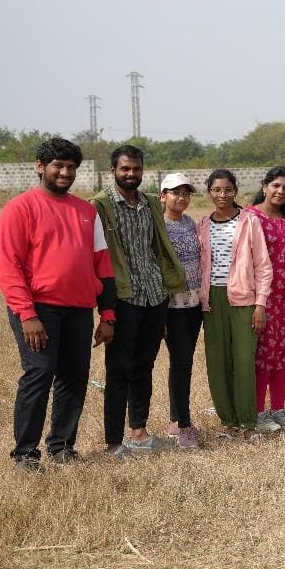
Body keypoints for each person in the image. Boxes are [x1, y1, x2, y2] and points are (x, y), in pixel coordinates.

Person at [0, 138, 115, 469]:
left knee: (75, 376)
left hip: (78, 308)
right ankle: (25, 453)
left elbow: (102, 265)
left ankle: (62, 446)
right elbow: (9, 267)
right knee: (40, 372)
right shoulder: (19, 208)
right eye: (57, 166)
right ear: (40, 167)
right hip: (38, 308)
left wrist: (107, 314)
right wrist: (27, 314)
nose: (65, 172)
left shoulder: (87, 211)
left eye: (71, 167)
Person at [91, 145, 186, 458]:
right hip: (124, 297)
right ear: (114, 171)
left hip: (155, 295)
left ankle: (139, 432)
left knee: (144, 367)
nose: (130, 174)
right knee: (118, 369)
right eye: (124, 169)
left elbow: (156, 247)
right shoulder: (101, 206)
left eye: (136, 169)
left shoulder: (148, 203)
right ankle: (114, 442)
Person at [197, 169, 273, 439]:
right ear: (209, 192)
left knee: (243, 361)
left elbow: (263, 266)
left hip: (244, 299)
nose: (222, 195)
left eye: (228, 189)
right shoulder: (203, 224)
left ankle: (248, 423)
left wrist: (260, 304)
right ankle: (228, 423)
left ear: (235, 191)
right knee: (217, 363)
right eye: (217, 190)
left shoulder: (249, 221)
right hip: (212, 300)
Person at [243, 166, 285, 433]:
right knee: (262, 353)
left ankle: (278, 408)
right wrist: (257, 301)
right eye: (276, 185)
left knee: (280, 353)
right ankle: (257, 412)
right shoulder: (250, 216)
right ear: (265, 186)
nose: (280, 191)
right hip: (259, 296)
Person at [160, 173, 204, 448]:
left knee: (183, 361)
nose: (182, 198)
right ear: (163, 196)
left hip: (194, 304)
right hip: (171, 306)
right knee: (181, 361)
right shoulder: (158, 227)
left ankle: (177, 420)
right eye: (176, 192)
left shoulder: (191, 224)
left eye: (186, 193)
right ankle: (183, 424)